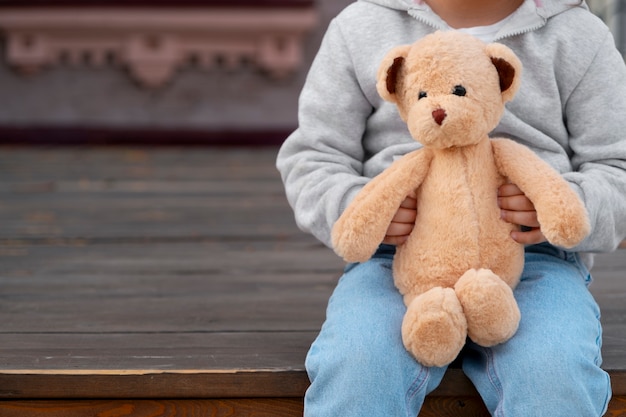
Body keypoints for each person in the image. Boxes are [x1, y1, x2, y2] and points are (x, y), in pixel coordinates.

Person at [276, 0, 626, 415]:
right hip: (398, 262)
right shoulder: (360, 27)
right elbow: (313, 157)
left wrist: (565, 202)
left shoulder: (577, 35)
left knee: (552, 374)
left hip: (535, 260)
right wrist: (361, 206)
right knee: (358, 365)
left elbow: (616, 165)